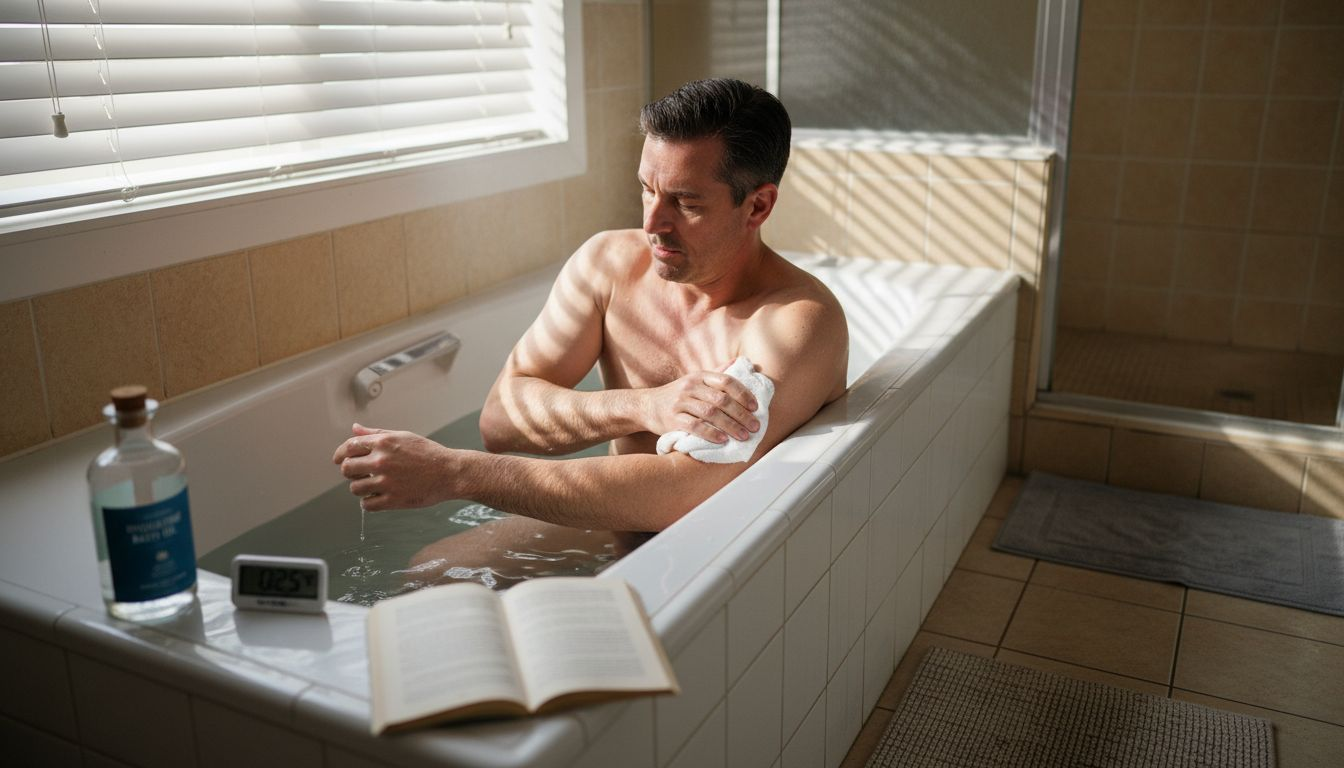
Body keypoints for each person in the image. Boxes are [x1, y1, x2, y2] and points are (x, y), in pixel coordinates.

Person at [332, 78, 848, 579]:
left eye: (686, 204)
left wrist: (455, 473)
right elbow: (501, 422)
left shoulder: (794, 322)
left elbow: (686, 491)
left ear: (757, 205)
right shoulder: (608, 265)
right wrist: (644, 405)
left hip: (722, 553)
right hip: (616, 520)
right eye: (648, 190)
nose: (653, 223)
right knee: (429, 573)